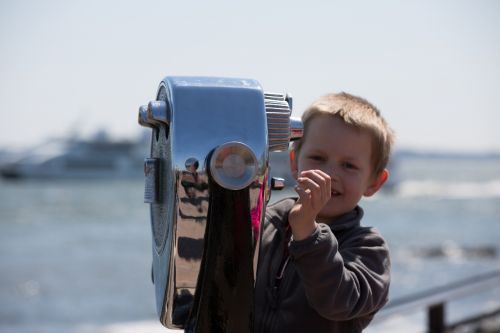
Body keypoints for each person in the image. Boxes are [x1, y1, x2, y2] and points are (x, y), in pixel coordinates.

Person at [255, 92, 394, 333]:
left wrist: (309, 235)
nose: (329, 174)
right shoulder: (264, 222)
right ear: (294, 162)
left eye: (348, 165)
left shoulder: (369, 249)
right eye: (318, 158)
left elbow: (339, 302)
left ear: (374, 182)